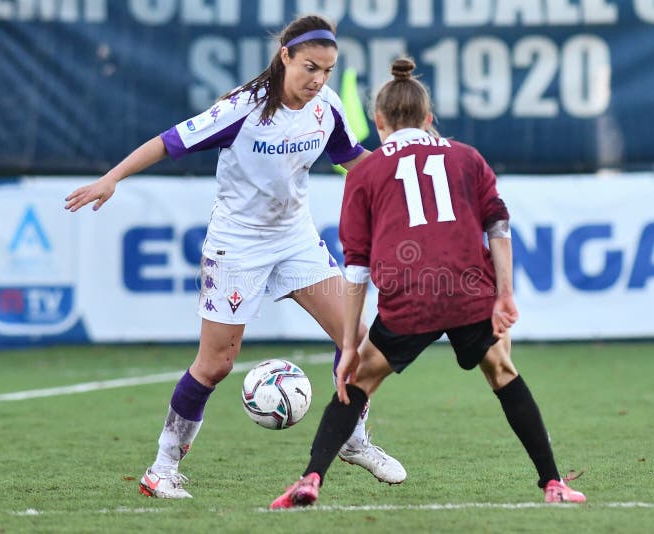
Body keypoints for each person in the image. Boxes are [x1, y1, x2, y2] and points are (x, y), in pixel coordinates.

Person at [64, 14, 406, 499]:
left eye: (327, 70)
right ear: (284, 56)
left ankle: (353, 438)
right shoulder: (242, 108)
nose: (319, 80)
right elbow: (170, 141)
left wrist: (405, 172)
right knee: (216, 364)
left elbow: (351, 158)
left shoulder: (325, 107)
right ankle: (161, 469)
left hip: (296, 239)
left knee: (357, 339)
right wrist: (112, 178)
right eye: (310, 67)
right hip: (238, 243)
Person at [270, 57, 586, 509]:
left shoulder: (366, 172)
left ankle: (311, 479)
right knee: (502, 372)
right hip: (467, 291)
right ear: (429, 119)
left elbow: (356, 269)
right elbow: (499, 226)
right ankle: (553, 484)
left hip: (409, 297)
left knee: (357, 382)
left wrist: (348, 346)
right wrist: (506, 295)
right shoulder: (466, 158)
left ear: (379, 123)